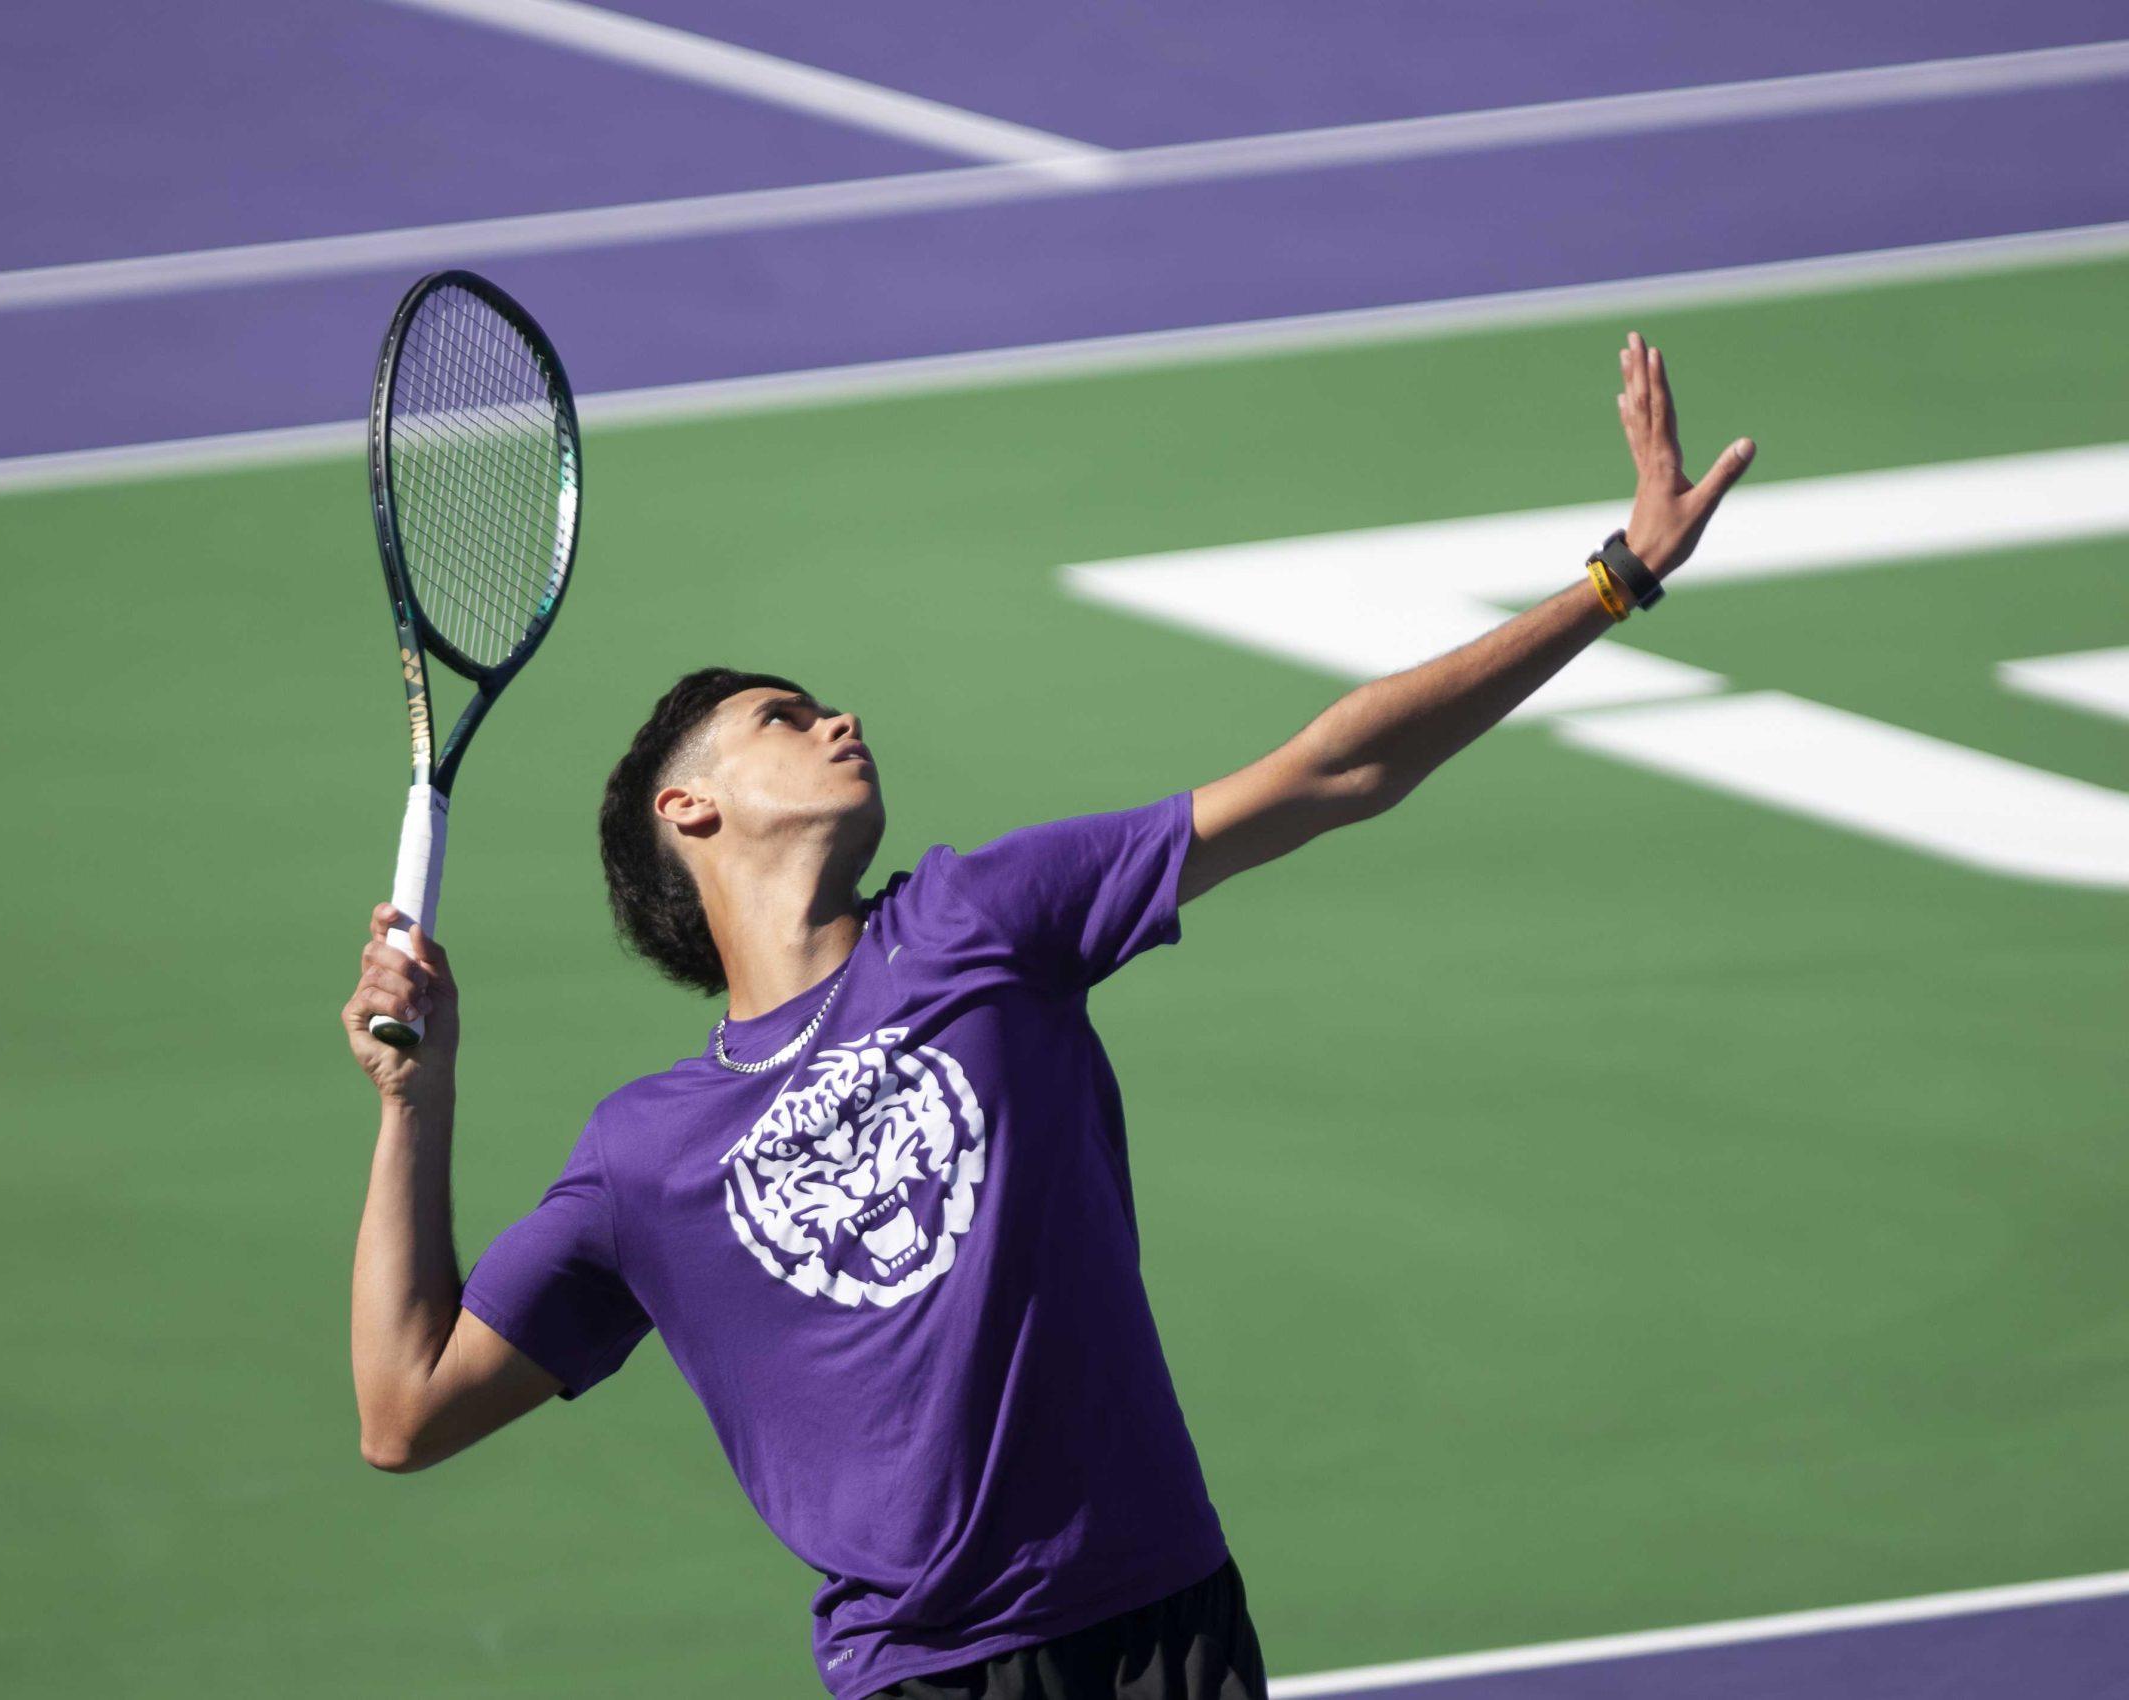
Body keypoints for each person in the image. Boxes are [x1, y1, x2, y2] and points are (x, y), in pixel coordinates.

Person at [342, 333, 1753, 1698]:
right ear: (686, 806)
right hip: (928, 1675)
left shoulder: (979, 919)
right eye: (786, 715)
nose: (838, 722)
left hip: (1156, 1625)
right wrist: (421, 1102)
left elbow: (1336, 771)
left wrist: (1615, 582)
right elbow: (405, 1411)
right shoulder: (646, 1155)